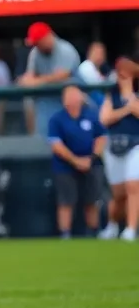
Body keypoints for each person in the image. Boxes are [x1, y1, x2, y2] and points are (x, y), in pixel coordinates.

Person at [48, 85, 106, 239]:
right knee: (66, 201)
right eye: (69, 97)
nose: (72, 100)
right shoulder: (56, 119)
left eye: (75, 96)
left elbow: (101, 137)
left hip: (91, 164)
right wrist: (75, 160)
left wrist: (91, 158)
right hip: (64, 166)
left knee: (92, 200)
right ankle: (65, 234)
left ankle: (93, 233)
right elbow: (56, 145)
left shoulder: (92, 116)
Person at [98, 60, 139, 241]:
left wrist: (130, 96)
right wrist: (126, 109)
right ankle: (113, 225)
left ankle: (130, 229)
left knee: (133, 186)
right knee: (118, 194)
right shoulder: (111, 95)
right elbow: (105, 119)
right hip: (114, 146)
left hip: (135, 144)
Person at [20, 22, 81, 136]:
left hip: (70, 102)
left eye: (39, 42)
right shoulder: (36, 52)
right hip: (47, 103)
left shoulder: (65, 49)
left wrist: (37, 81)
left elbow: (62, 75)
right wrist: (26, 80)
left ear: (48, 36)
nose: (37, 45)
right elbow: (29, 77)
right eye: (35, 43)